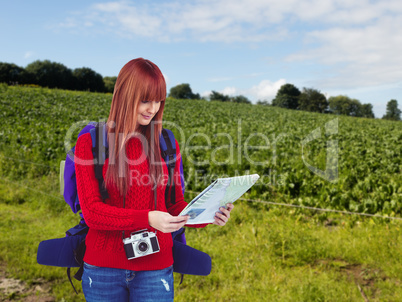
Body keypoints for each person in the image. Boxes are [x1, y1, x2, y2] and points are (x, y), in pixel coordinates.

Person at [74, 58, 234, 301]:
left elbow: (174, 206)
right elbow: (92, 212)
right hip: (103, 269)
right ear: (125, 95)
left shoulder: (167, 143)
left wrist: (209, 215)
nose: (154, 108)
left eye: (159, 100)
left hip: (155, 269)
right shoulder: (92, 142)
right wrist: (147, 218)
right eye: (146, 100)